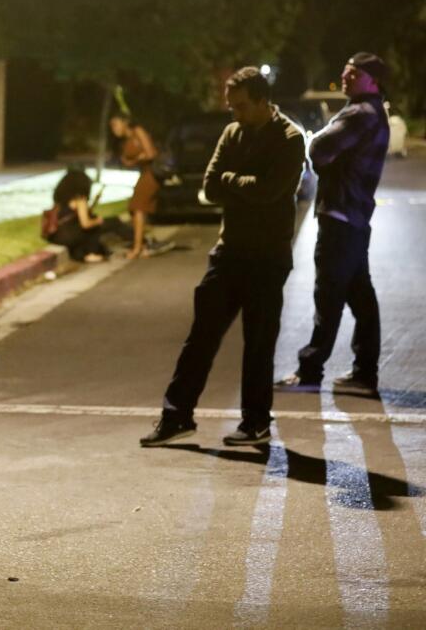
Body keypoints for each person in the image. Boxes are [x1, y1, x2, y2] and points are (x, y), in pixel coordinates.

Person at [140, 66, 305, 447]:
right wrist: (239, 183)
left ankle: (256, 422)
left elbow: (270, 191)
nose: (236, 114)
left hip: (267, 258)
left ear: (264, 101)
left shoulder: (289, 138)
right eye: (232, 107)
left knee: (259, 344)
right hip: (228, 253)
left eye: (243, 106)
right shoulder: (232, 133)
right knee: (200, 337)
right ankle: (176, 416)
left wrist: (234, 181)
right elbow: (210, 187)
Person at [276, 53, 391, 397]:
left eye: (353, 72)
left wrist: (326, 160)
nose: (345, 75)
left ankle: (310, 370)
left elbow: (319, 147)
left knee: (328, 295)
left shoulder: (359, 113)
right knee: (360, 295)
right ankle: (364, 372)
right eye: (345, 69)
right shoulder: (375, 113)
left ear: (372, 80)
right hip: (355, 218)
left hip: (340, 215)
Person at [47, 167, 132, 262]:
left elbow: (73, 217)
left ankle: (82, 255)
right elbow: (85, 224)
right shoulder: (79, 199)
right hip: (70, 235)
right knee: (107, 222)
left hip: (56, 236)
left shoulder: (60, 199)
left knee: (90, 225)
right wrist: (99, 220)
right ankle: (91, 253)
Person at [110, 114, 165, 259]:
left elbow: (151, 153)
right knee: (133, 208)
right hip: (144, 173)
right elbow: (129, 161)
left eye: (116, 125)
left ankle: (137, 247)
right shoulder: (125, 141)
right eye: (112, 126)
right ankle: (143, 243)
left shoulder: (138, 131)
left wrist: (136, 159)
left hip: (152, 173)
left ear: (125, 122)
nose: (114, 129)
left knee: (138, 207)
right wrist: (132, 161)